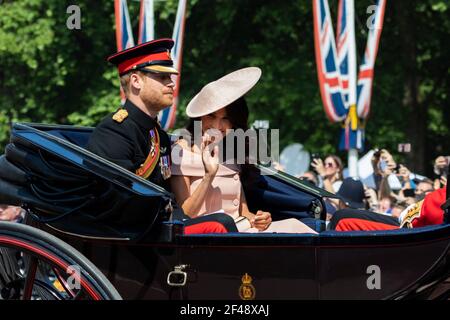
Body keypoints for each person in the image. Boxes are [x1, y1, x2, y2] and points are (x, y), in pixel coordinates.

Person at [86, 39, 237, 234]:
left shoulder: (159, 136)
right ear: (136, 81)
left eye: (170, 77)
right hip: (133, 234)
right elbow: (119, 202)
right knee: (219, 224)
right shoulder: (114, 132)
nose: (171, 83)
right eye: (162, 77)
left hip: (157, 226)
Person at [170, 67, 317, 234]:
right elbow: (184, 215)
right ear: (200, 116)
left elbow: (243, 213)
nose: (218, 126)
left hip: (241, 231)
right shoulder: (180, 152)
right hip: (210, 237)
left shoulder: (232, 152)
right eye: (211, 116)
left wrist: (260, 219)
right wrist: (208, 176)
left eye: (226, 119)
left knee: (296, 227)